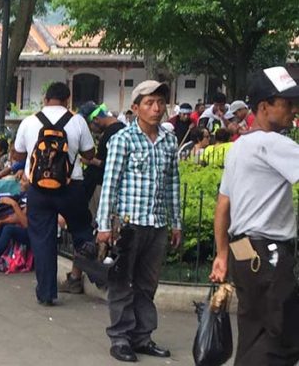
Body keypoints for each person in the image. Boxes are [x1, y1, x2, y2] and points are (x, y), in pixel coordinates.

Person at [210, 66, 299, 366]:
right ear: (264, 107)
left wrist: (222, 254)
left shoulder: (239, 147)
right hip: (270, 253)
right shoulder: (275, 144)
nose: (293, 110)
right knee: (281, 339)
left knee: (253, 332)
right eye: (286, 104)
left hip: (243, 252)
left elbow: (223, 206)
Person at [95, 80, 181, 363]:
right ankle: (120, 338)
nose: (156, 109)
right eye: (149, 103)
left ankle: (142, 337)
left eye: (160, 103)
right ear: (135, 108)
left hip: (156, 225)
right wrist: (104, 226)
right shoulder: (123, 139)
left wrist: (176, 222)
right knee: (121, 283)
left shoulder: (169, 141)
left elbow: (172, 184)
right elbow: (110, 184)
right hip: (128, 226)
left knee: (147, 284)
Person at [12, 81, 95, 307]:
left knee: (42, 240)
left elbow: (18, 155)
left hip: (38, 189)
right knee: (82, 228)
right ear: (67, 100)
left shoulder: (30, 121)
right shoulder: (77, 121)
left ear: (46, 99)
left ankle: (46, 292)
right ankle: (91, 261)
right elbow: (89, 153)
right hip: (71, 187)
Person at [64, 100, 124, 294]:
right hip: (96, 186)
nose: (91, 130)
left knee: (87, 232)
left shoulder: (113, 133)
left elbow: (110, 165)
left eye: (91, 125)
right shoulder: (119, 131)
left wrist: (90, 160)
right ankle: (77, 275)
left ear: (96, 119)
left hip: (98, 187)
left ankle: (80, 276)